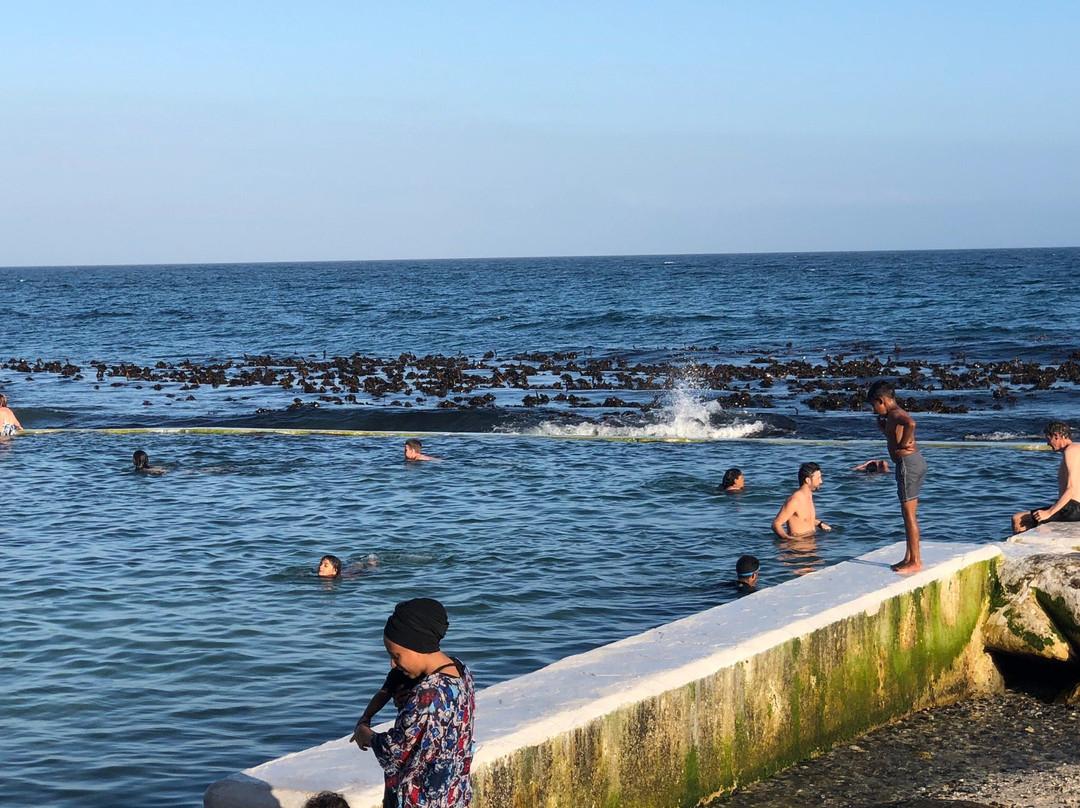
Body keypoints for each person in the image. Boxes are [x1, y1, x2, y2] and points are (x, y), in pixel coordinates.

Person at [351, 598, 474, 808]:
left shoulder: (428, 693)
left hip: (422, 799)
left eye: (396, 656)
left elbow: (397, 751)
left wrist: (367, 735)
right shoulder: (461, 670)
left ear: (416, 645)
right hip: (453, 793)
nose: (392, 663)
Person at [868, 380, 926, 573]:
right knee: (908, 514)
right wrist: (884, 430)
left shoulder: (895, 414)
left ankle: (915, 561)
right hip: (913, 462)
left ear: (881, 400)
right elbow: (896, 435)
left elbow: (910, 423)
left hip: (908, 464)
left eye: (874, 406)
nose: (874, 411)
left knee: (908, 515)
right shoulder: (893, 415)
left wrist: (905, 441)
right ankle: (909, 557)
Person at [1011, 421, 1080, 534]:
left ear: (1056, 436)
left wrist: (1049, 512)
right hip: (1073, 507)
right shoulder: (1076, 449)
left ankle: (1020, 545)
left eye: (1048, 439)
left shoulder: (1070, 451)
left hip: (1073, 508)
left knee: (1018, 519)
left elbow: (1071, 488)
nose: (1048, 443)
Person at [772, 462, 831, 539]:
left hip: (811, 541)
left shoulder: (808, 496)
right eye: (818, 478)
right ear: (808, 480)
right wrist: (788, 539)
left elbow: (805, 519)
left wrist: (820, 524)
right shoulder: (795, 500)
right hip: (798, 545)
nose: (821, 481)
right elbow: (776, 524)